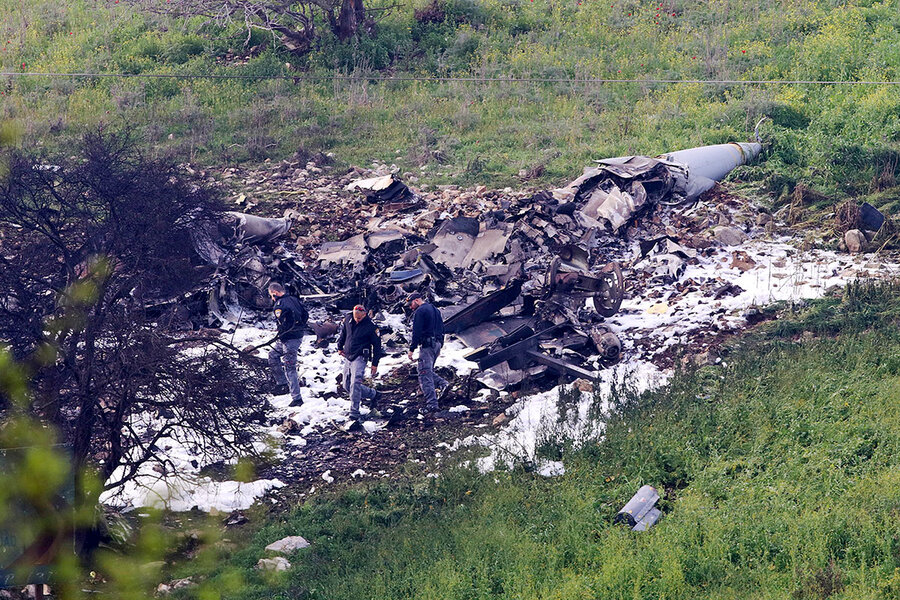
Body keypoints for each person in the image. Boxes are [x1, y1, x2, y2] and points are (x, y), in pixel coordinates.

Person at [337, 304, 383, 427]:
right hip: (348, 355)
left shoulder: (371, 327)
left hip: (360, 357)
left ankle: (354, 413)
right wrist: (339, 347)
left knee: (355, 384)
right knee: (346, 385)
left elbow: (377, 347)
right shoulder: (348, 319)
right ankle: (373, 394)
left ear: (365, 315)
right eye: (355, 317)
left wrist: (375, 364)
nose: (357, 319)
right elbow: (344, 333)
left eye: (359, 318)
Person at [267, 282, 309, 407]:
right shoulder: (294, 299)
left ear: (274, 293)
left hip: (289, 339)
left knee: (290, 367)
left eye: (271, 295)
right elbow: (305, 315)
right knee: (273, 355)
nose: (272, 298)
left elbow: (282, 323)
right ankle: (282, 383)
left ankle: (297, 398)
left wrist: (286, 332)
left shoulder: (279, 305)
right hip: (294, 336)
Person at [407, 292, 449, 414]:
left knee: (424, 373)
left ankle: (432, 404)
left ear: (416, 300)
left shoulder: (420, 311)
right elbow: (443, 327)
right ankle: (443, 384)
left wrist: (412, 348)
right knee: (427, 370)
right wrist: (440, 344)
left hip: (427, 345)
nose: (411, 307)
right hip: (437, 344)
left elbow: (416, 331)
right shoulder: (435, 309)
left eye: (411, 304)